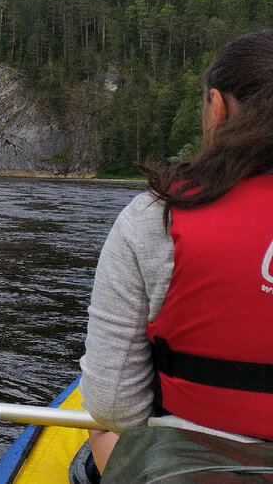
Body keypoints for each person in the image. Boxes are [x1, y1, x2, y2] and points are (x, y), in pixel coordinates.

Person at [79, 29, 273, 476]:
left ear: (218, 108)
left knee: (105, 426)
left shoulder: (156, 216)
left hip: (194, 464)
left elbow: (114, 406)